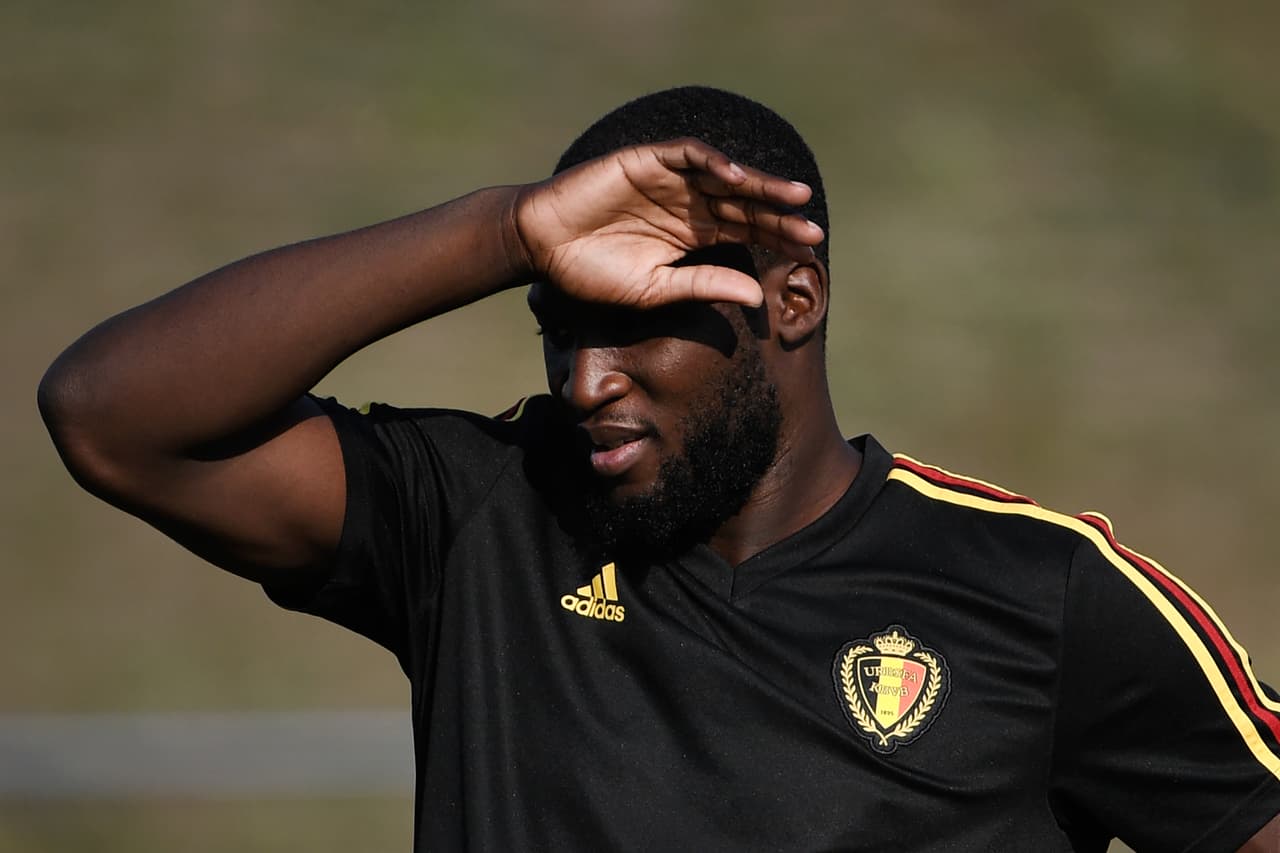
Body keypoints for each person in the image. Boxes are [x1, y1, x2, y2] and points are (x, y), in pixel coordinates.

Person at [38, 85, 1280, 851]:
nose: (584, 380)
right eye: (559, 324)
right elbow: (111, 416)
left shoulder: (1046, 592)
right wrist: (504, 228)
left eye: (636, 323)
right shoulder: (486, 516)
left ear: (791, 303)